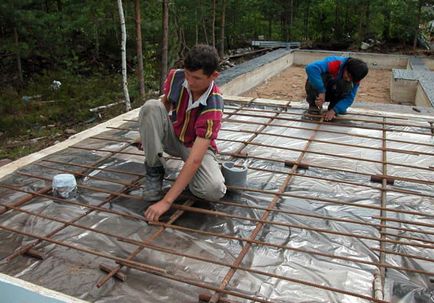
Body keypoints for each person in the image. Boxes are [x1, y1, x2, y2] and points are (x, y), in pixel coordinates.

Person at [138, 44, 226, 222]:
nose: (190, 81)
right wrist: (150, 133)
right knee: (150, 106)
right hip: (174, 134)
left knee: (213, 190)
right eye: (187, 74)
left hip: (194, 146)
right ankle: (155, 171)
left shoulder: (214, 105)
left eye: (196, 78)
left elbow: (195, 159)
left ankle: (195, 177)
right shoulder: (177, 77)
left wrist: (166, 201)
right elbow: (164, 105)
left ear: (213, 76)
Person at [305, 56, 369, 121]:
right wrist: (321, 91)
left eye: (352, 79)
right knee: (315, 76)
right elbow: (311, 67)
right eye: (348, 75)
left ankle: (333, 107)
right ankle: (313, 105)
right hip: (322, 90)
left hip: (334, 94)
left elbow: (350, 98)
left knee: (347, 85)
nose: (349, 79)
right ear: (346, 68)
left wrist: (335, 110)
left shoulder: (356, 77)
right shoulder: (335, 63)